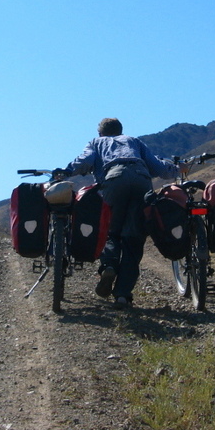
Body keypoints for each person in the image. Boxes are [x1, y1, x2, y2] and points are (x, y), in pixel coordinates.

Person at [63, 118, 182, 309]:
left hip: (114, 179)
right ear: (121, 130)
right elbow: (158, 167)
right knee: (134, 238)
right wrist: (176, 170)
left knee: (110, 230)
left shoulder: (96, 142)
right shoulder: (134, 141)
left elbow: (84, 160)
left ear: (100, 133)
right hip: (141, 179)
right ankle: (122, 295)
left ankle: (109, 266)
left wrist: (66, 172)